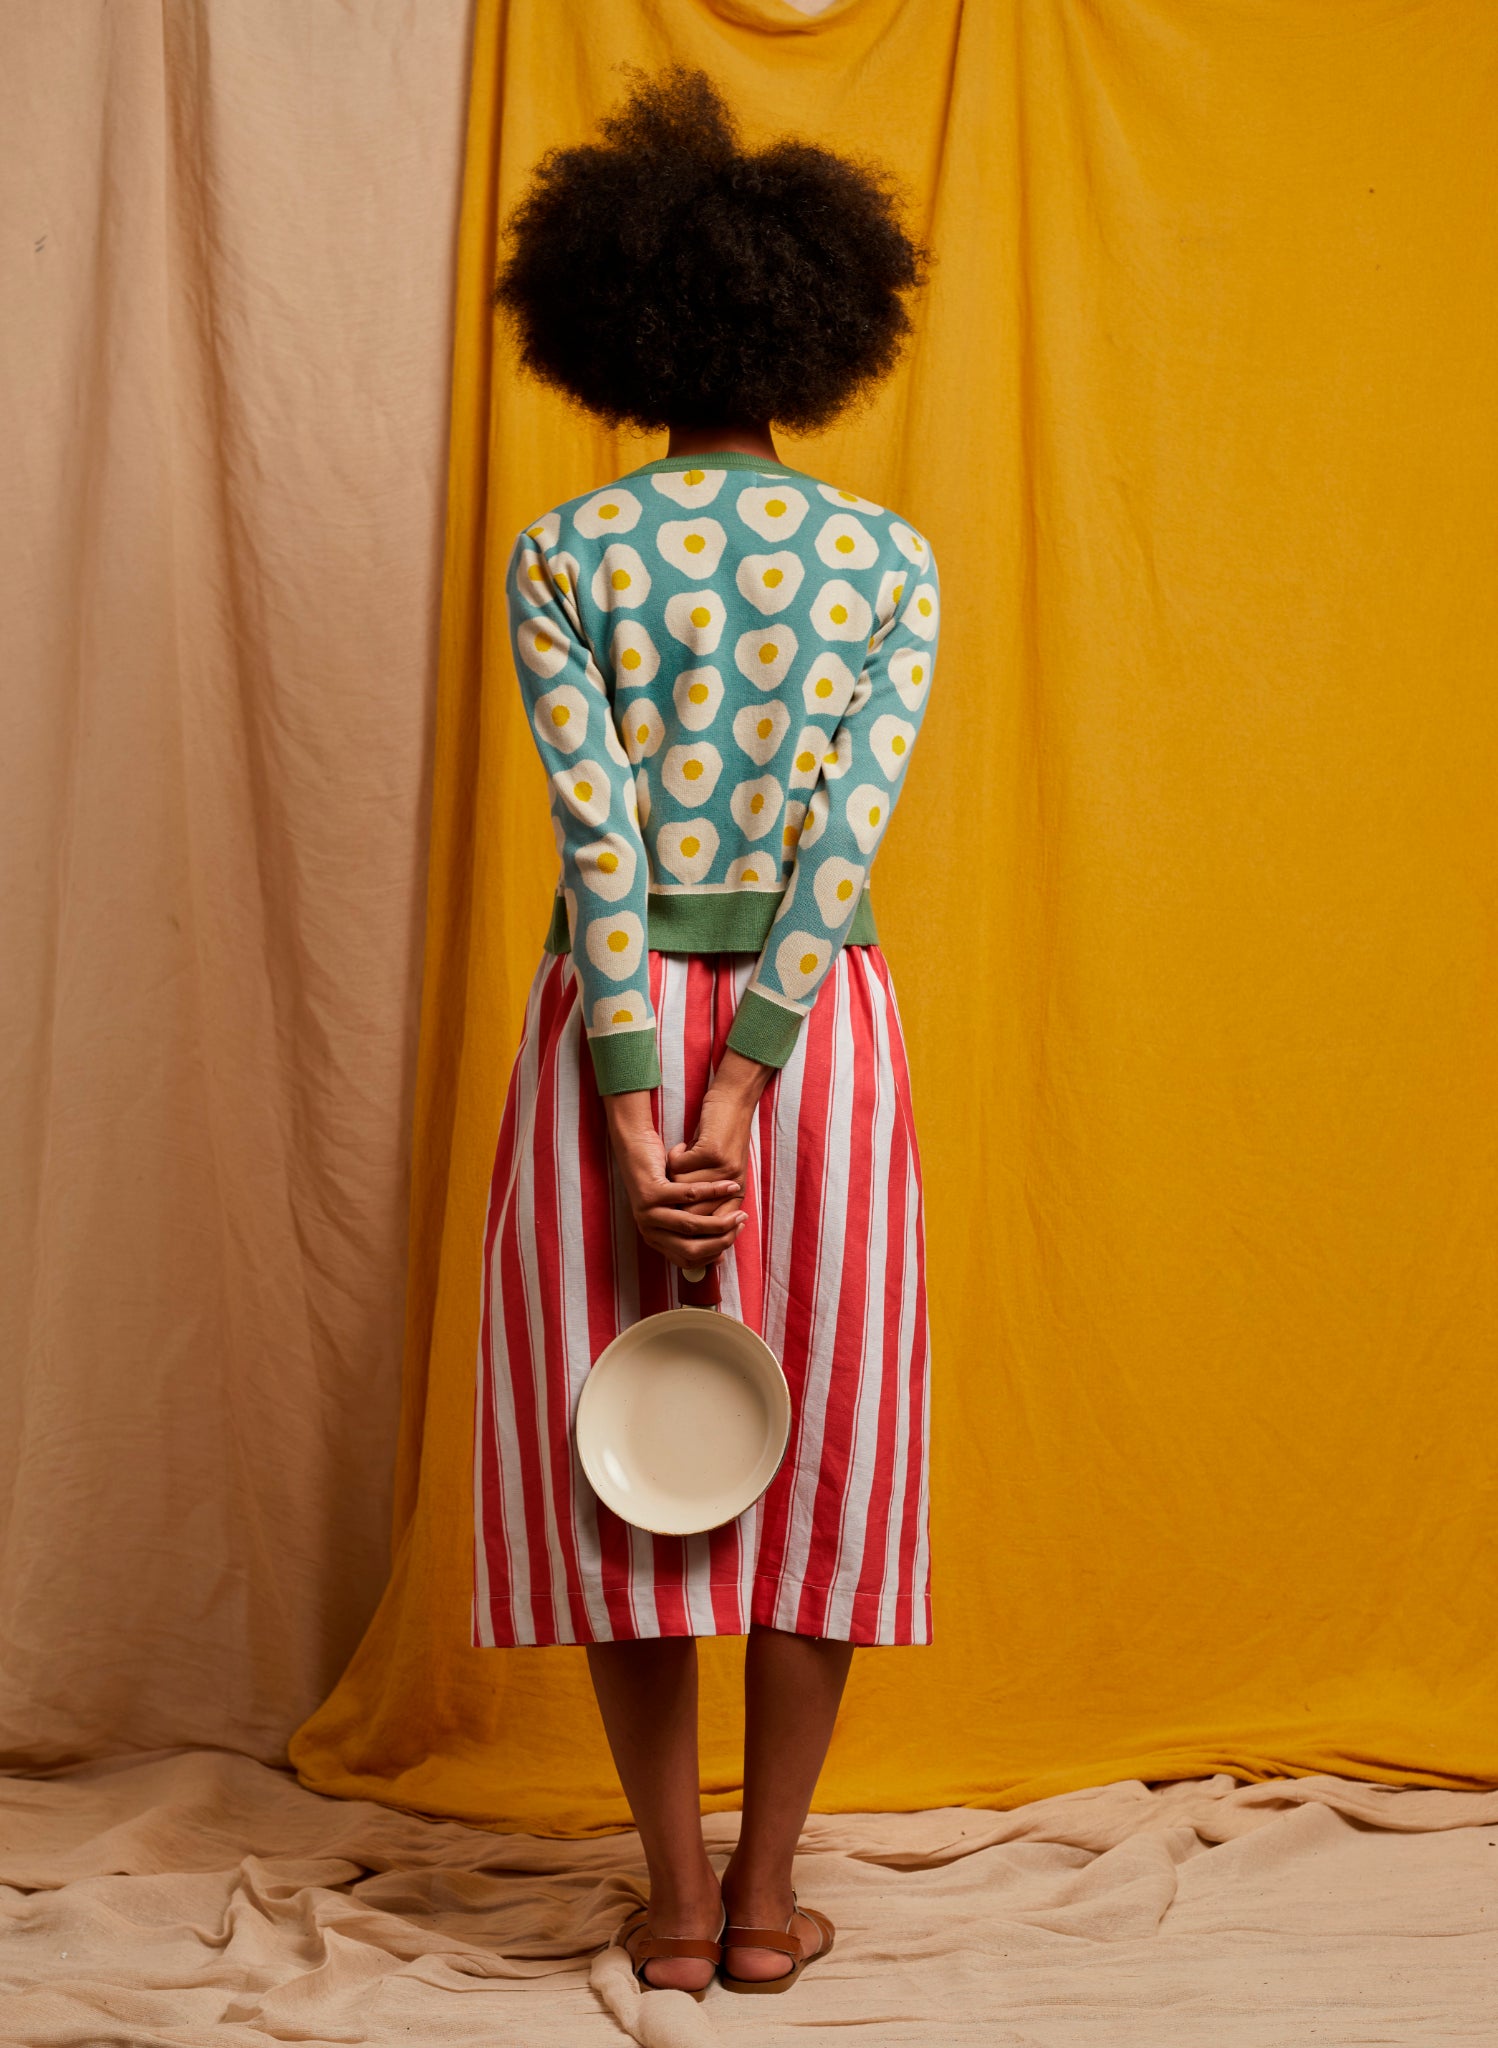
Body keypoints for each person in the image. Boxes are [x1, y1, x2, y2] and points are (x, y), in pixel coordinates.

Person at [472, 64, 939, 1999]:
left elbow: (599, 849)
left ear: (613, 322)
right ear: (819, 328)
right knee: (819, 1442)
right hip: (811, 1053)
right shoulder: (884, 565)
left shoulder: (566, 556)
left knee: (629, 1448)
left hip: (614, 1037)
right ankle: (765, 1905)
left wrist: (637, 1108)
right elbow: (840, 850)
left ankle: (666, 1905)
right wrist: (747, 1084)